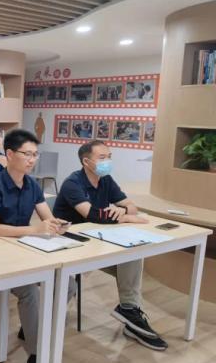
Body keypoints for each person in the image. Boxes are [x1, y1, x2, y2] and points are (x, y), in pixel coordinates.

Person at [0, 129, 74, 363]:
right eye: (27, 154)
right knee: (30, 290)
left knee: (68, 283)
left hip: (24, 250)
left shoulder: (31, 185)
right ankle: (38, 354)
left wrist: (56, 224)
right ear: (9, 154)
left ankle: (34, 327)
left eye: (35, 154)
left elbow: (46, 217)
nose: (32, 160)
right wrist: (34, 230)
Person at [53, 140, 168, 351]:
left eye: (109, 157)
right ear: (86, 162)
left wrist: (124, 211)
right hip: (70, 243)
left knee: (132, 253)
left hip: (97, 240)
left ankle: (129, 311)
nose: (108, 161)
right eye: (102, 158)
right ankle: (130, 312)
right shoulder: (72, 183)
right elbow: (91, 214)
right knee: (128, 264)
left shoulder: (106, 180)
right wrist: (126, 217)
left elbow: (130, 205)